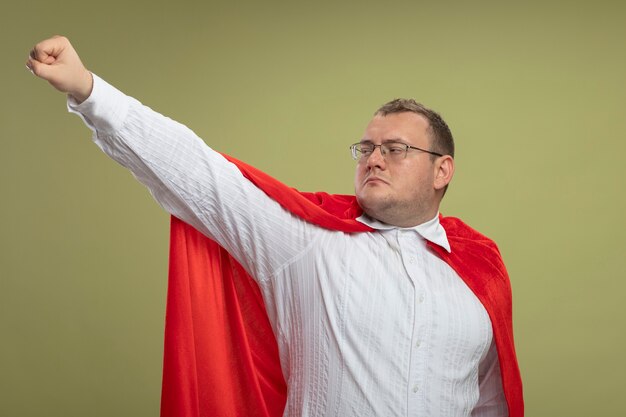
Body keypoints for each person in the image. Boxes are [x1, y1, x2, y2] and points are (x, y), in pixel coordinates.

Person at [27, 36, 523, 417]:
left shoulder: (480, 273)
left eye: (395, 149)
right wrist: (88, 90)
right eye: (366, 148)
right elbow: (197, 172)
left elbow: (488, 402)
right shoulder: (308, 240)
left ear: (443, 170)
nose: (374, 159)